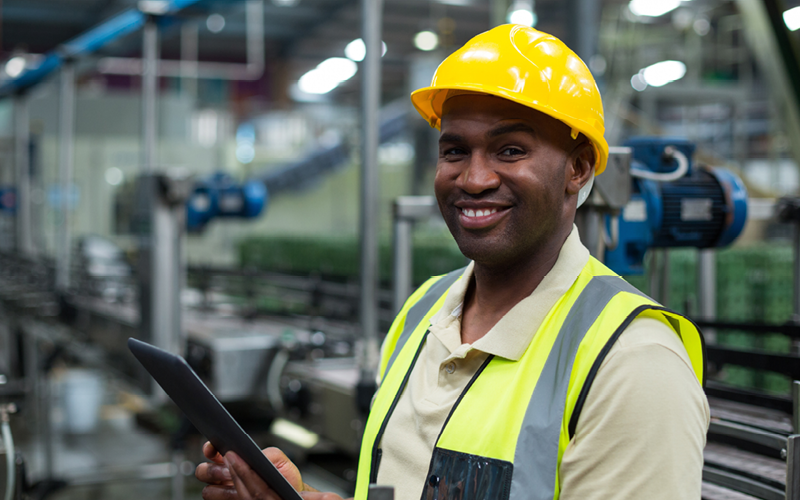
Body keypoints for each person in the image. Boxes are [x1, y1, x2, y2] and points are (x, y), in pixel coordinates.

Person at [196, 24, 709, 500]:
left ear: (577, 168)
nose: (474, 179)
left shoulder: (634, 366)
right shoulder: (423, 312)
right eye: (455, 151)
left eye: (510, 150)